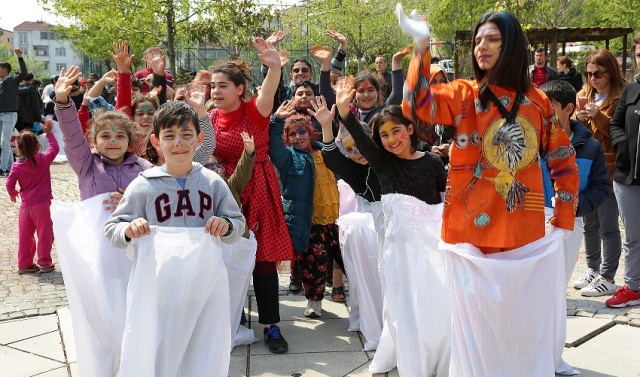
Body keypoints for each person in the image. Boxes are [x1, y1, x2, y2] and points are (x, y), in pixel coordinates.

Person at [397, 5, 579, 375]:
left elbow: (563, 159)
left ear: (512, 45)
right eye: (478, 40)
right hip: (468, 234)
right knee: (474, 329)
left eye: (493, 39)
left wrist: (563, 216)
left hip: (522, 234)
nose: (482, 46)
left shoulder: (539, 103)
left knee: (518, 326)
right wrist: (421, 44)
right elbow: (416, 104)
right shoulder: (464, 94)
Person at [104, 100, 245, 376]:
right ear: (156, 142)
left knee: (199, 348)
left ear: (199, 139)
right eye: (169, 136)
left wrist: (225, 224)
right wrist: (129, 230)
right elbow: (113, 228)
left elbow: (238, 223)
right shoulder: (144, 185)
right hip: (159, 289)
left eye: (186, 135)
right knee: (160, 347)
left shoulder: (213, 182)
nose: (178, 143)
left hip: (202, 287)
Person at [209, 38, 294, 354]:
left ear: (239, 89)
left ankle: (272, 326)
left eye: (222, 86)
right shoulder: (211, 117)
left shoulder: (254, 111)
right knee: (226, 260)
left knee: (263, 261)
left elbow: (269, 90)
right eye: (213, 87)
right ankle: (235, 319)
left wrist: (273, 67)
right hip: (224, 191)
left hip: (258, 189)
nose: (215, 92)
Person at [269, 97, 344, 317]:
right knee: (314, 263)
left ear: (311, 133)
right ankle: (314, 301)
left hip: (337, 219)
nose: (297, 137)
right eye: (292, 134)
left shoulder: (328, 152)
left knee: (348, 260)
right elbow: (274, 144)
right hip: (309, 222)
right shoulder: (289, 158)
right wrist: (276, 121)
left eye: (302, 132)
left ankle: (362, 299)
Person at [572, 49, 626, 297]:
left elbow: (619, 135)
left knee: (608, 226)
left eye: (598, 73)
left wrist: (600, 117)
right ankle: (593, 269)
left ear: (610, 72)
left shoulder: (621, 96)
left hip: (610, 169)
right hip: (586, 169)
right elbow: (575, 132)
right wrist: (578, 118)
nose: (592, 78)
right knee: (589, 224)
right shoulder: (583, 95)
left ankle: (608, 275)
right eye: (589, 73)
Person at [606, 32, 640, 308]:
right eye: (639, 55)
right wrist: (624, 145)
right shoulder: (631, 90)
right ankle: (633, 286)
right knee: (633, 236)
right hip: (628, 178)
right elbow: (615, 124)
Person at [6, 120, 59, 274]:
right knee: (45, 234)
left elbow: (9, 183)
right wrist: (49, 133)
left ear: (18, 148)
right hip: (42, 205)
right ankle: (44, 262)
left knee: (25, 236)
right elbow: (55, 148)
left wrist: (13, 193)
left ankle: (24, 263)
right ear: (37, 146)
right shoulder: (43, 159)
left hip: (26, 206)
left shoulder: (16, 166)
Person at [0, 48, 27, 177]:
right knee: (3, 142)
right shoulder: (1, 84)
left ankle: (3, 168)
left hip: (9, 115)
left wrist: (20, 57)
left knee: (4, 142)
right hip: (1, 115)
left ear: (5, 70)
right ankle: (10, 166)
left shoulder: (13, 81)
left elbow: (24, 73)